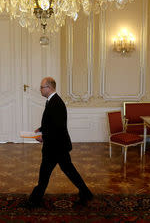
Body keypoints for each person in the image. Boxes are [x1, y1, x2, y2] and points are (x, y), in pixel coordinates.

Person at [26, 77, 93, 208]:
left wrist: (43, 137)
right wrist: (41, 129)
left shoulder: (56, 103)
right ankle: (86, 192)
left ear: (49, 88)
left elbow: (57, 127)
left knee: (47, 173)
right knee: (66, 171)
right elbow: (51, 122)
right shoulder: (52, 101)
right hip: (57, 146)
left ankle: (34, 199)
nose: (40, 90)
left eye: (41, 87)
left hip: (55, 147)